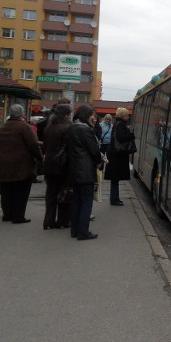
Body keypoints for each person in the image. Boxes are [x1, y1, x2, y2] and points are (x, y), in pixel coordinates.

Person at [0, 104, 43, 224]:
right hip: (21, 164)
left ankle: (7, 214)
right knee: (21, 190)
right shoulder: (24, 127)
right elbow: (33, 145)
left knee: (6, 190)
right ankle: (18, 216)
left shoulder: (2, 128)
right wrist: (40, 158)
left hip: (3, 163)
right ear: (22, 114)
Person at [66, 105, 103, 240]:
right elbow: (94, 151)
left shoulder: (72, 128)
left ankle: (75, 230)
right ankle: (83, 232)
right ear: (86, 116)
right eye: (91, 115)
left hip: (74, 170)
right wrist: (100, 161)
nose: (93, 118)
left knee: (76, 200)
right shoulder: (85, 130)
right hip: (85, 170)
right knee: (86, 202)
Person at [42, 103, 73, 230]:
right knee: (64, 194)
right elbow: (70, 148)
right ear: (66, 115)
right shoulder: (68, 127)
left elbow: (45, 147)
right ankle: (62, 221)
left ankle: (48, 221)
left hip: (49, 165)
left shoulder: (49, 127)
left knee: (50, 194)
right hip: (63, 165)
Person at [104, 107, 135, 206]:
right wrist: (131, 135)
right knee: (115, 180)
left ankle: (115, 198)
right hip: (117, 156)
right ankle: (114, 200)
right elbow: (121, 138)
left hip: (114, 155)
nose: (128, 117)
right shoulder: (120, 124)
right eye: (126, 115)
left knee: (115, 180)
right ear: (123, 115)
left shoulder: (117, 123)